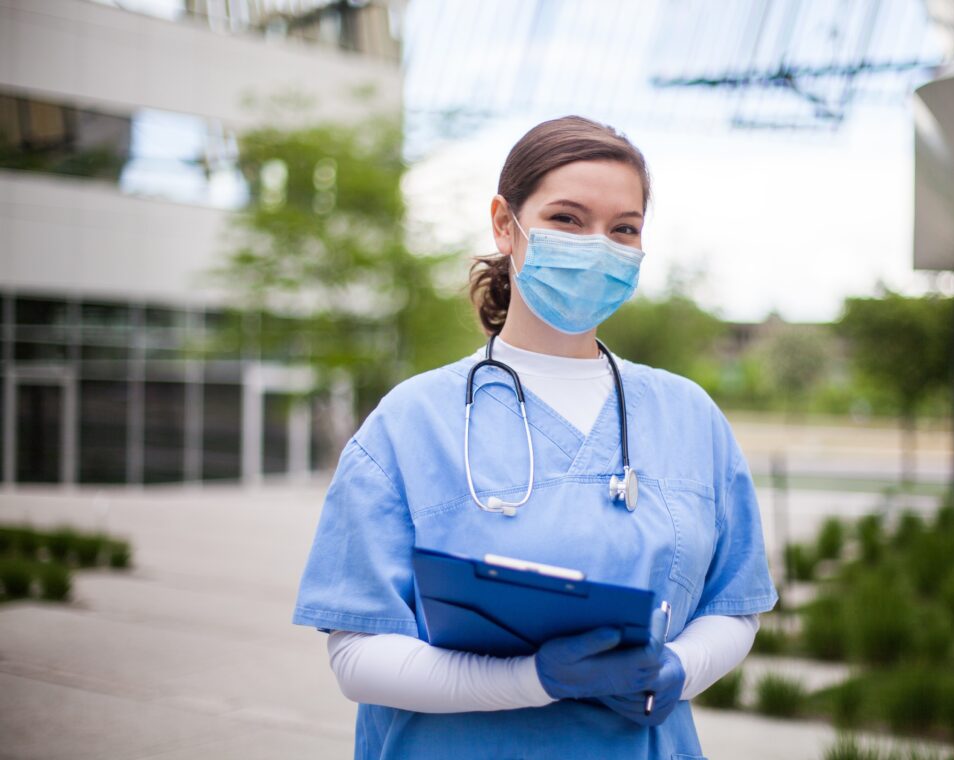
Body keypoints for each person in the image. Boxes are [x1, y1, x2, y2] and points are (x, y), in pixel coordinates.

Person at [293, 115, 777, 759]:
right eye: (568, 220)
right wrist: (530, 680)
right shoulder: (412, 423)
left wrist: (681, 669)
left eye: (624, 229)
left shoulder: (688, 416)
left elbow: (735, 606)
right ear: (504, 223)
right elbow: (356, 653)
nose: (598, 245)